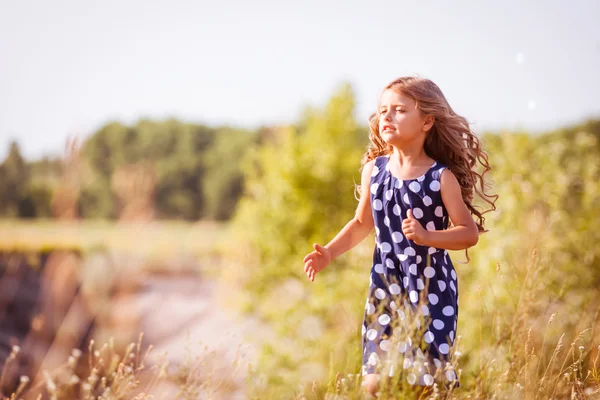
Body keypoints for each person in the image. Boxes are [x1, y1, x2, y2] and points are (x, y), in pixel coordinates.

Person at [302, 76, 497, 397]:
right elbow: (362, 223)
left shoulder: (440, 177)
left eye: (399, 110)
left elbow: (468, 233)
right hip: (386, 285)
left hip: (431, 289)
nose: (387, 117)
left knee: (425, 383)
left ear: (427, 121)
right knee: (375, 381)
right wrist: (329, 253)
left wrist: (427, 235)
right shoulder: (374, 171)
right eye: (382, 111)